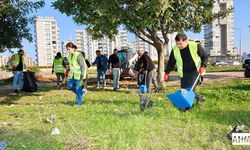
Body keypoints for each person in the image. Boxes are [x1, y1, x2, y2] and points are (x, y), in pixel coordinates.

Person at [164, 33, 208, 112]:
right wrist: (167, 73)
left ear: (186, 41)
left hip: (195, 71)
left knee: (189, 90)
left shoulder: (195, 46)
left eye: (180, 43)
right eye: (177, 43)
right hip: (183, 72)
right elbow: (171, 62)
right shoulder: (175, 49)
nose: (178, 46)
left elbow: (204, 56)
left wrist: (203, 66)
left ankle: (187, 108)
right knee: (184, 90)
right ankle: (199, 98)